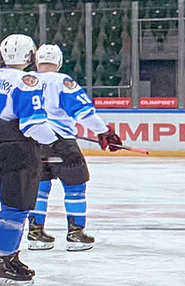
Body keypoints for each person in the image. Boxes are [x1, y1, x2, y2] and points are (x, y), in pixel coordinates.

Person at [24, 43, 119, 251]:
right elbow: (83, 112)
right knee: (75, 186)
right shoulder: (63, 81)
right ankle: (75, 234)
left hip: (33, 141)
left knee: (40, 187)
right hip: (61, 141)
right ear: (58, 62)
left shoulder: (26, 82)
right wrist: (104, 132)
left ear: (37, 60)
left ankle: (35, 233)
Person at [0, 33, 47, 286]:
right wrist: (59, 138)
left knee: (12, 204)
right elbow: (32, 124)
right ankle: (2, 263)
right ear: (30, 55)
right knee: (16, 207)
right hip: (19, 147)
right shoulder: (28, 80)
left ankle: (10, 256)